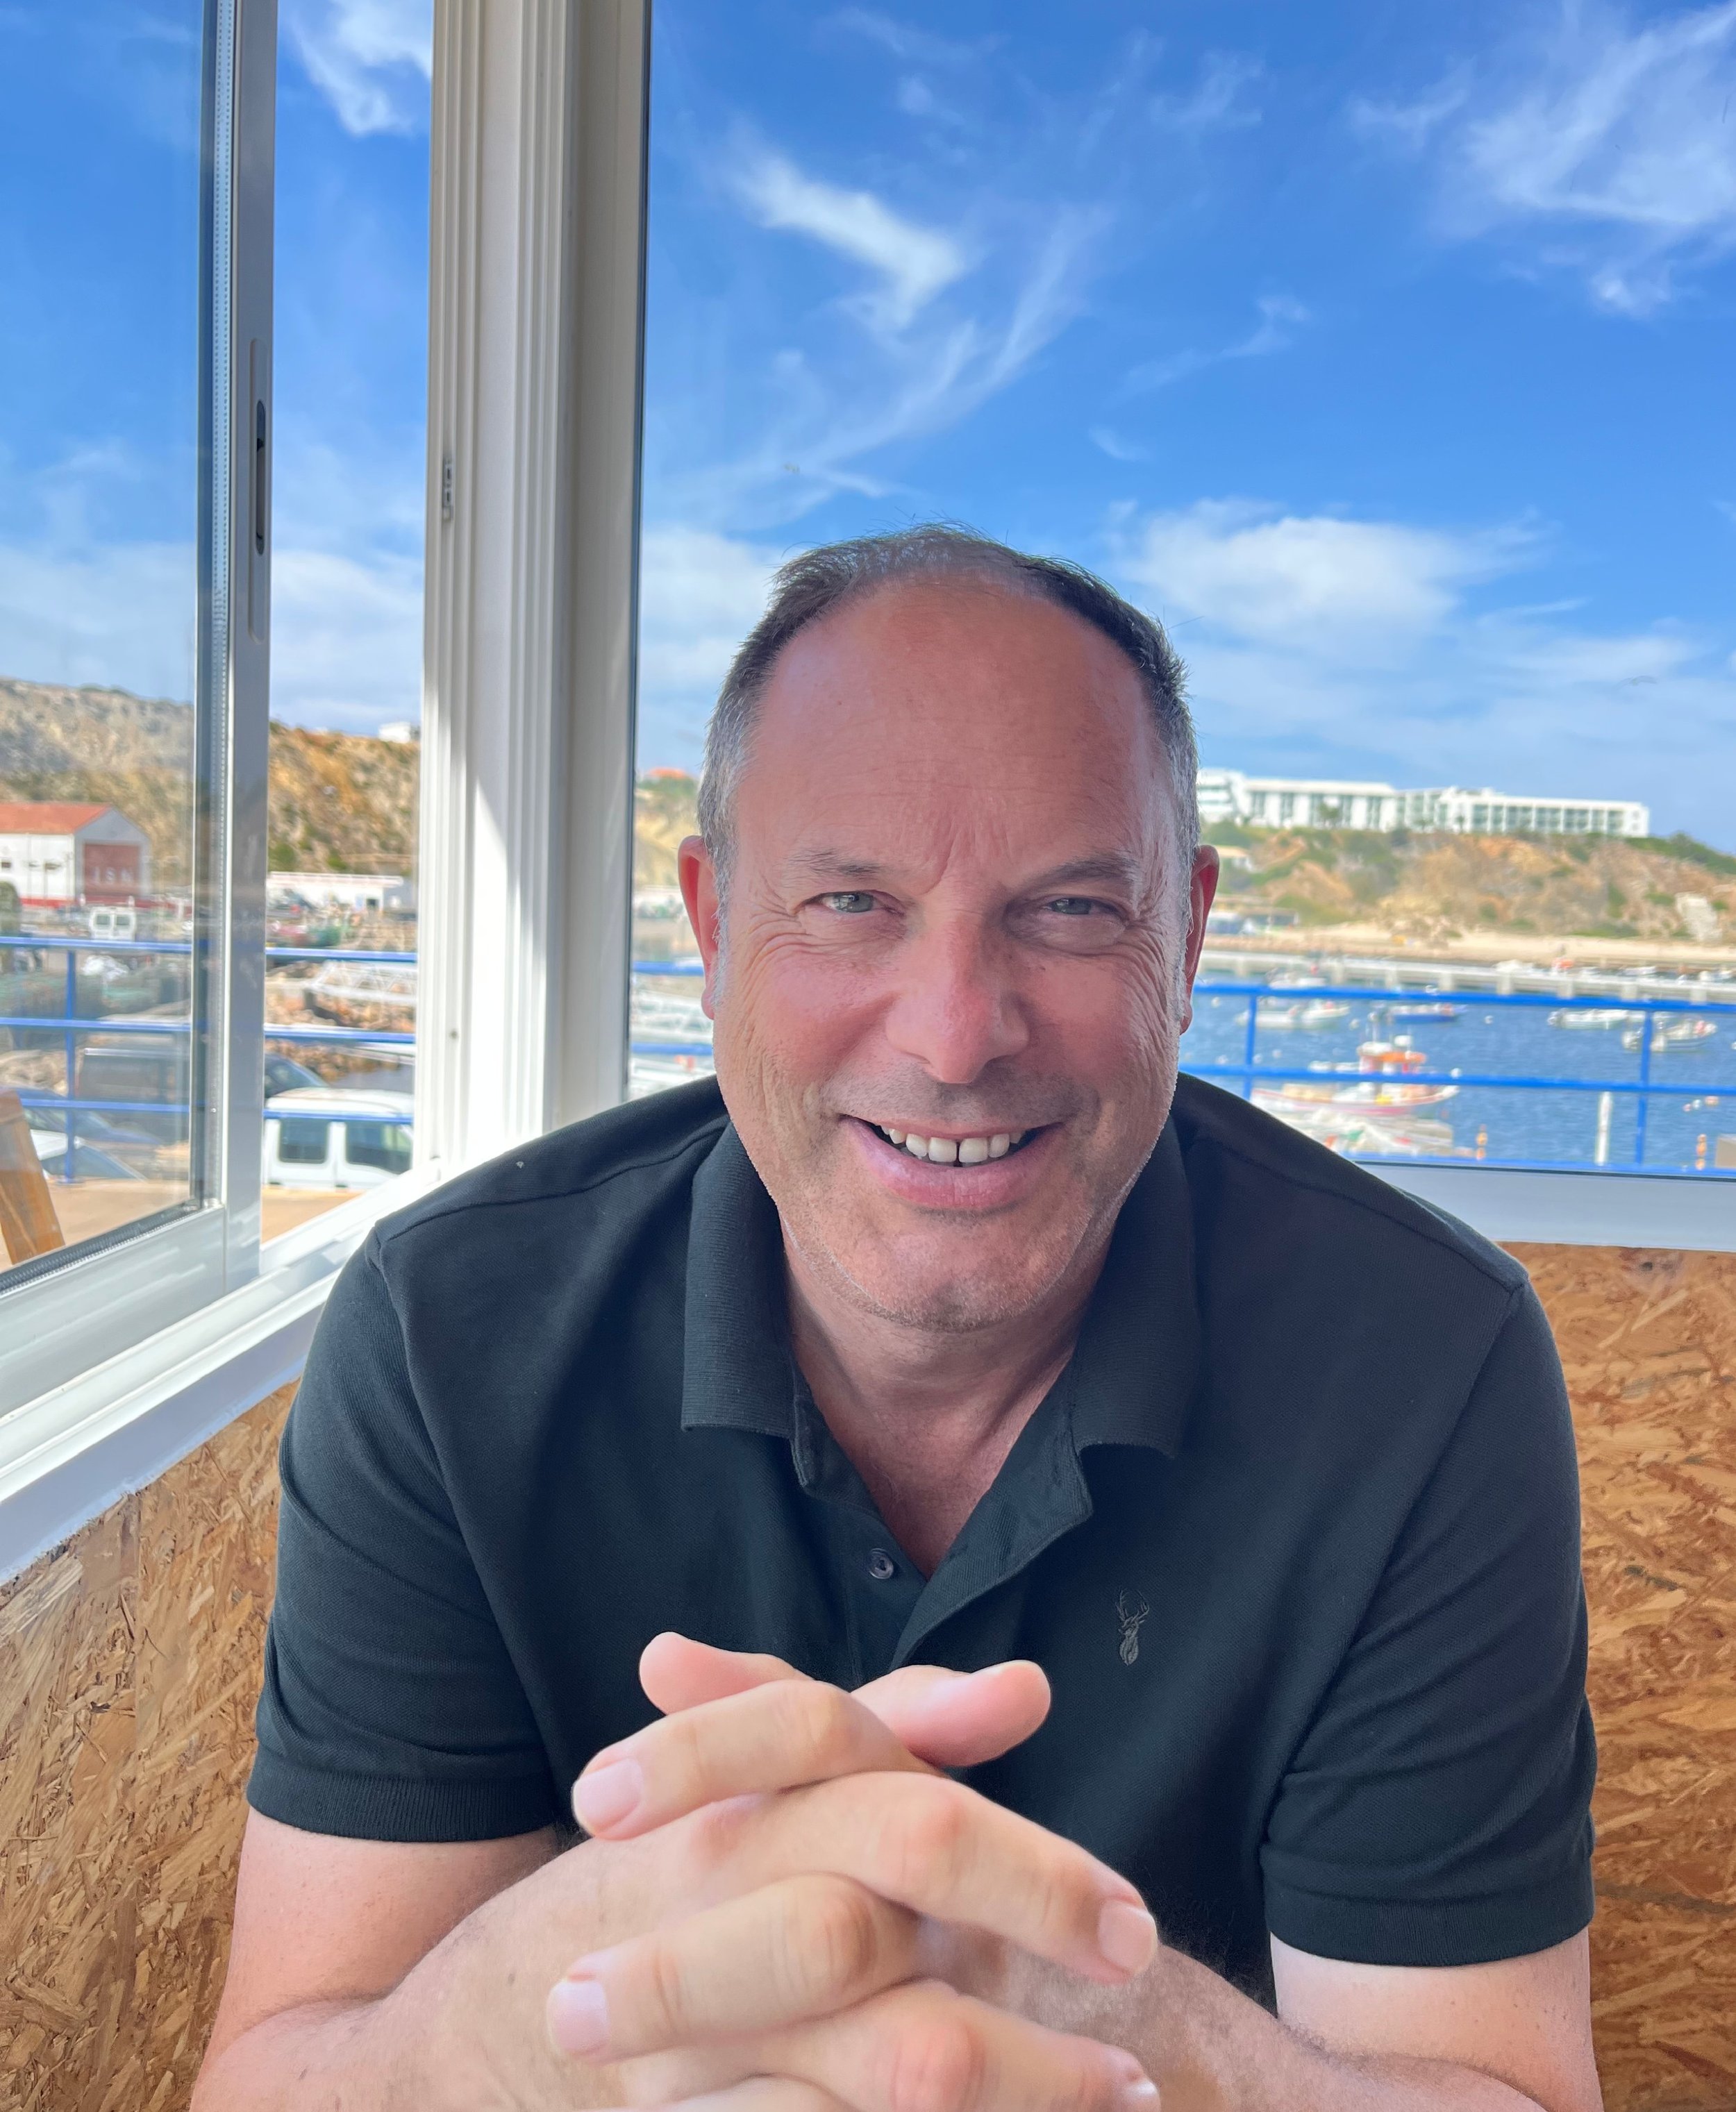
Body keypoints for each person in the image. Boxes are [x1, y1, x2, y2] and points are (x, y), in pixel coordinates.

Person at [196, 528, 1602, 2112]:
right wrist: (543, 2013)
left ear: (1188, 939)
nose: (951, 1037)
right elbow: (278, 2075)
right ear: (713, 922)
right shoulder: (446, 1335)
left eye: (1069, 910)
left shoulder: (1420, 1361)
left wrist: (1091, 2013)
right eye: (852, 900)